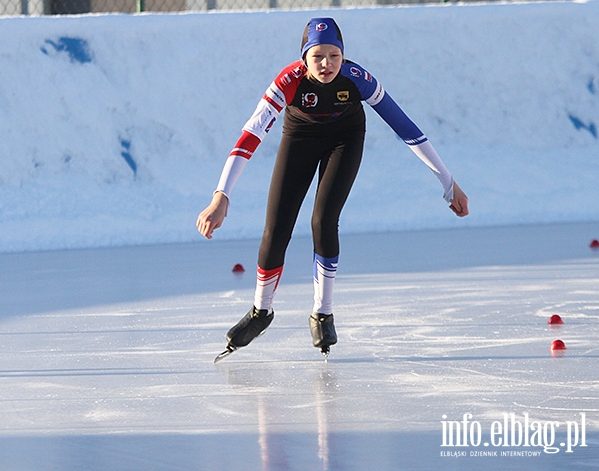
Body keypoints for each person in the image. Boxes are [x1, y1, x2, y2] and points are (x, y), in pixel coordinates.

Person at [197, 18, 468, 357]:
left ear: (344, 56)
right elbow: (250, 136)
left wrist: (448, 183)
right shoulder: (288, 82)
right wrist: (221, 195)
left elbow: (405, 127)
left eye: (335, 55)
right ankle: (260, 312)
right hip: (299, 137)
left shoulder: (358, 80)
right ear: (304, 58)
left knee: (323, 219)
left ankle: (322, 313)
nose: (327, 64)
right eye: (318, 56)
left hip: (345, 138)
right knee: (277, 226)